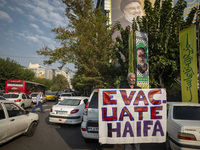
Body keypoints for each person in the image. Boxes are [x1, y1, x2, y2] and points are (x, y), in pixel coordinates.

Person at [121, 73, 141, 150]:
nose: (133, 80)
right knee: (127, 144)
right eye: (131, 78)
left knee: (137, 144)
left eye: (134, 78)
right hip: (126, 119)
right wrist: (101, 92)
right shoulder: (123, 88)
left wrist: (161, 92)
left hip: (136, 119)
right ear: (128, 79)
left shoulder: (139, 89)